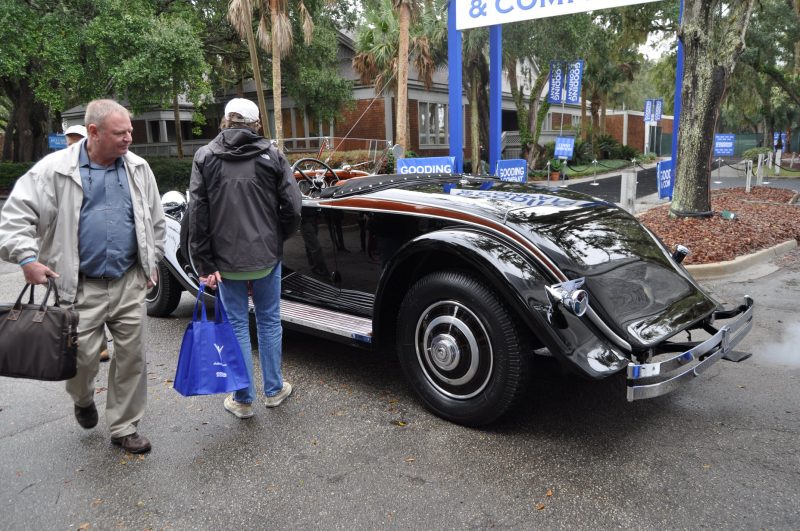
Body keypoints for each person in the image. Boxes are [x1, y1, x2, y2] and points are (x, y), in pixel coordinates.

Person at [0, 99, 165, 454]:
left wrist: (152, 262)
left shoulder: (138, 168)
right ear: (93, 132)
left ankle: (124, 426)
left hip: (128, 282)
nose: (129, 139)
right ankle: (82, 398)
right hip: (78, 288)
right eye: (120, 133)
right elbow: (13, 219)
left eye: (130, 131)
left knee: (132, 357)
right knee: (81, 359)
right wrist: (27, 258)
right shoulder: (54, 170)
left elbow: (156, 221)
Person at [189, 98, 302, 419]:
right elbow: (293, 208)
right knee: (268, 319)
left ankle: (242, 398)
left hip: (224, 261)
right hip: (266, 255)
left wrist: (204, 263)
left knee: (237, 323)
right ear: (256, 125)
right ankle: (274, 389)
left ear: (226, 121)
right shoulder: (272, 156)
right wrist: (277, 236)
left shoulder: (205, 156)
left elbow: (198, 213)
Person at [65, 124, 113, 363]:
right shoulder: (63, 170)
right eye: (68, 143)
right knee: (80, 304)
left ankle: (101, 344)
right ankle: (95, 344)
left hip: (106, 254)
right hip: (76, 255)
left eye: (76, 142)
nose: (71, 147)